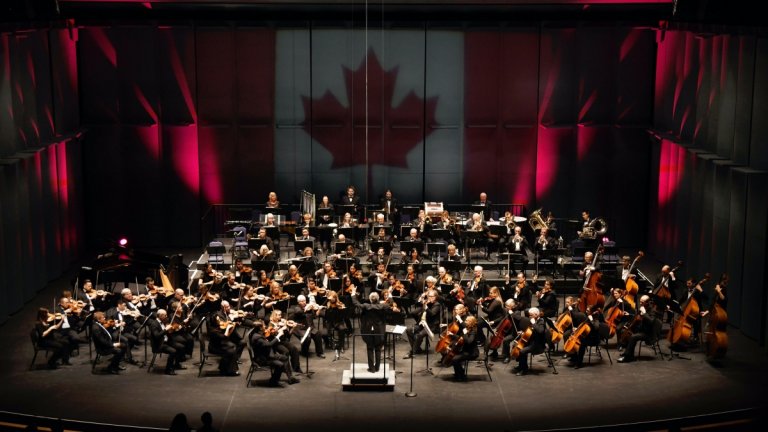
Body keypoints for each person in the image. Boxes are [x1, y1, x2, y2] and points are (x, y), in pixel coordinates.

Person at [350, 288, 395, 372]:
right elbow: (391, 303)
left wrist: (353, 293)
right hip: (379, 330)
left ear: (370, 299)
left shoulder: (366, 306)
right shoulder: (382, 306)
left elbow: (356, 303)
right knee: (378, 349)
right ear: (378, 299)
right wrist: (390, 294)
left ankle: (372, 368)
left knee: (370, 348)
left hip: (368, 330)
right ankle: (377, 367)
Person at [249, 320, 299, 387]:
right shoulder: (258, 338)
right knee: (280, 364)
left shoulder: (257, 333)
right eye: (264, 326)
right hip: (263, 359)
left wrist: (274, 330)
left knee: (285, 358)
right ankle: (273, 381)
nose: (265, 327)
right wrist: (278, 336)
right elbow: (269, 344)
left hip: (266, 354)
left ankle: (290, 378)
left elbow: (266, 340)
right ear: (260, 328)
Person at [618, 295, 660, 363]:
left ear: (647, 302)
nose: (640, 303)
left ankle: (627, 357)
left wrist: (644, 313)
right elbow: (636, 317)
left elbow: (651, 321)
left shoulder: (653, 311)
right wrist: (629, 314)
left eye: (642, 302)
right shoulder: (643, 308)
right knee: (625, 331)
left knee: (633, 337)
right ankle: (629, 354)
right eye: (640, 301)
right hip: (641, 329)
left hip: (648, 333)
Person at [208, 301, 246, 376]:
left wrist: (235, 322)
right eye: (218, 321)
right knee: (231, 348)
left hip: (223, 341)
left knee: (238, 344)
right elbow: (224, 337)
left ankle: (230, 363)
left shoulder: (225, 315)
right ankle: (230, 370)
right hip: (216, 346)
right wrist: (228, 326)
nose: (220, 322)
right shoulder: (213, 330)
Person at [403, 289, 441, 358]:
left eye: (432, 296)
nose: (430, 298)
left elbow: (432, 314)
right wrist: (421, 298)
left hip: (431, 326)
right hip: (422, 324)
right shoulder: (427, 303)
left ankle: (412, 352)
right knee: (409, 330)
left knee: (419, 335)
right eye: (429, 296)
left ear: (436, 297)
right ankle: (417, 348)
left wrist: (426, 308)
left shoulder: (437, 305)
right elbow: (417, 304)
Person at [148, 309, 187, 375]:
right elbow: (157, 336)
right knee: (173, 351)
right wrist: (165, 329)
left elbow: (167, 331)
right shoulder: (154, 324)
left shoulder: (163, 321)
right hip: (159, 344)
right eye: (165, 315)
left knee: (181, 347)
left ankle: (177, 364)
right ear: (160, 316)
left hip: (166, 341)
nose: (167, 316)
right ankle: (168, 370)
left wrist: (171, 329)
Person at [513, 307, 547, 376]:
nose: (530, 316)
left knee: (522, 351)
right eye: (529, 315)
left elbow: (540, 331)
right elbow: (530, 331)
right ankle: (521, 365)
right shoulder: (532, 320)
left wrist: (534, 323)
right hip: (531, 341)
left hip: (538, 344)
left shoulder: (541, 322)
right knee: (517, 346)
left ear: (536, 315)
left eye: (531, 315)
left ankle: (524, 370)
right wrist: (523, 333)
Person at [450, 315, 480, 381]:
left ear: (471, 322)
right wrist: (452, 335)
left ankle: (461, 376)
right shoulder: (467, 328)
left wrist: (465, 333)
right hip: (466, 350)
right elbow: (461, 338)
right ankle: (459, 373)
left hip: (472, 353)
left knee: (455, 359)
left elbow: (469, 341)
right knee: (453, 357)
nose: (465, 322)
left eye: (466, 321)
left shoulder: (473, 331)